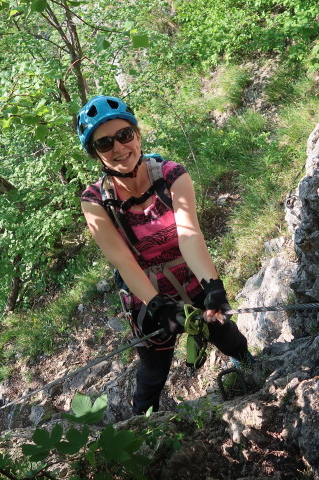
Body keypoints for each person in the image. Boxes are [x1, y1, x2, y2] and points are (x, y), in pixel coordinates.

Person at [77, 95, 251, 415]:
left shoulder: (172, 175)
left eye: (125, 135)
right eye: (104, 144)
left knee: (227, 334)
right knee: (155, 369)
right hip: (143, 289)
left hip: (189, 273)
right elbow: (124, 262)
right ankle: (144, 422)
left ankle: (254, 374)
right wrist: (157, 304)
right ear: (96, 154)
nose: (118, 148)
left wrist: (212, 286)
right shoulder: (95, 202)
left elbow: (188, 234)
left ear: (138, 135)